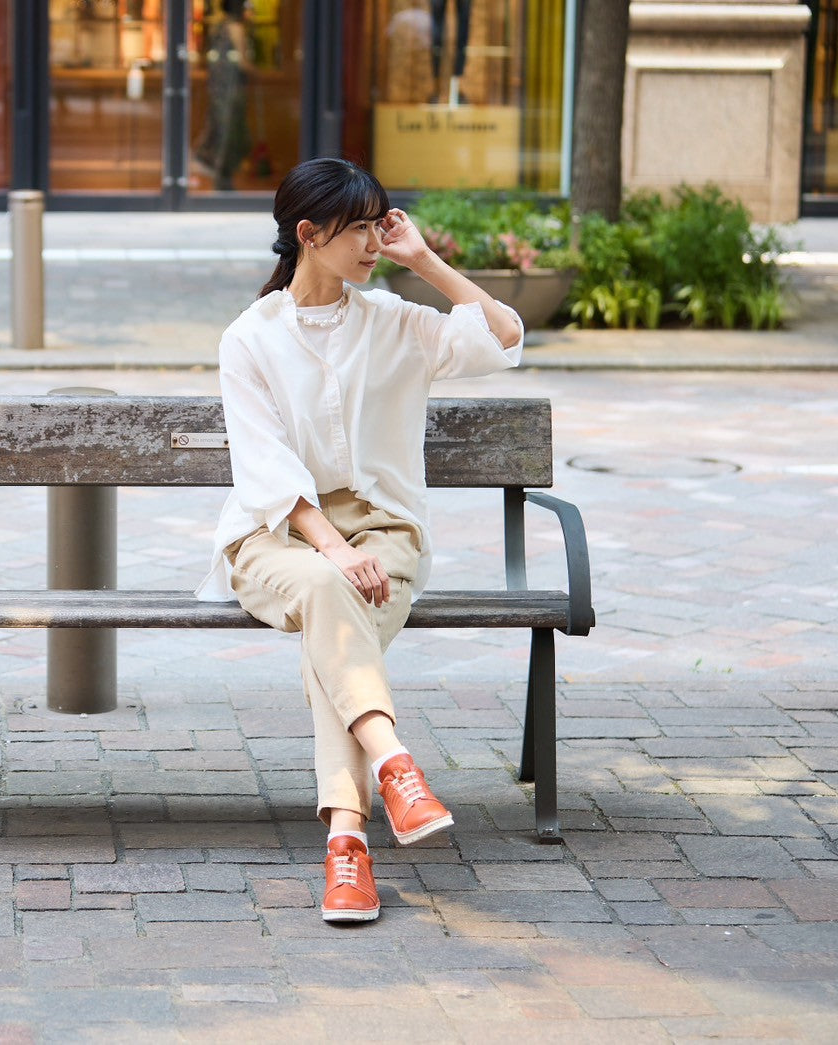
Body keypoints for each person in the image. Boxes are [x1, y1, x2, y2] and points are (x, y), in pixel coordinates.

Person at [195, 158, 523, 924]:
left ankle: (348, 844)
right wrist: (331, 549)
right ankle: (393, 765)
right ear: (309, 234)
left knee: (331, 636)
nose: (376, 242)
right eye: (361, 229)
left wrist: (425, 261)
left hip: (385, 533)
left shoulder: (394, 322)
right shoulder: (249, 338)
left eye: (382, 225)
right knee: (325, 588)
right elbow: (264, 467)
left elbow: (502, 337)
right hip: (276, 536)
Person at [193, 0, 252, 191]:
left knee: (220, 129)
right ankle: (221, 176)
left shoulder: (220, 26)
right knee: (230, 134)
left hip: (217, 88)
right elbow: (243, 63)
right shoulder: (236, 28)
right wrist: (256, 72)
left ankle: (217, 174)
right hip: (230, 89)